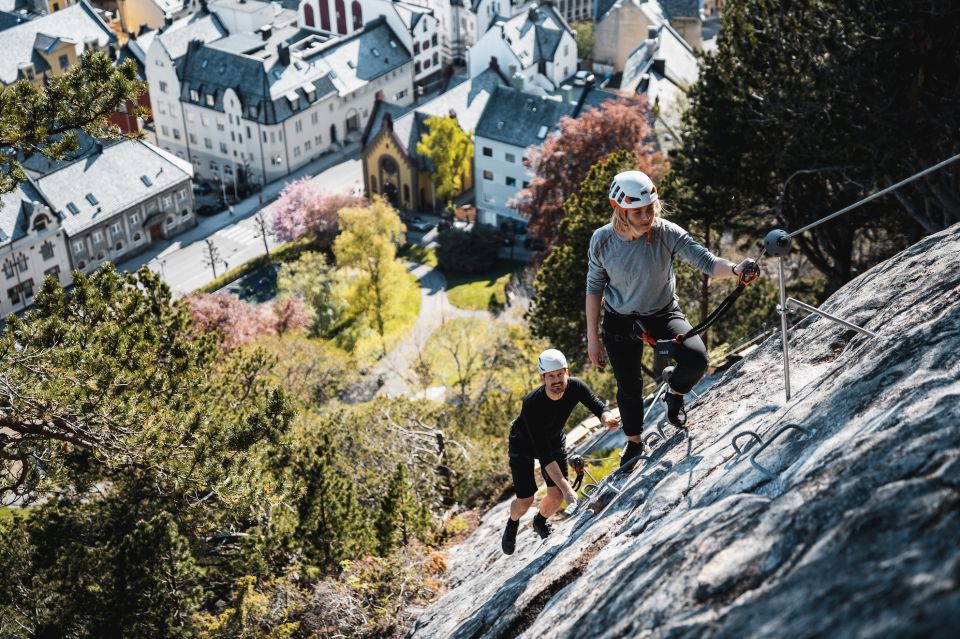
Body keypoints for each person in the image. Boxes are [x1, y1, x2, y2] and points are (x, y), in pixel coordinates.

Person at [585, 170, 758, 467]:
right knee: (629, 385)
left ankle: (674, 393)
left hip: (662, 313)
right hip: (620, 321)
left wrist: (734, 269)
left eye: (650, 208)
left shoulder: (665, 232)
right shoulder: (602, 241)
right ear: (620, 209)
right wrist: (593, 339)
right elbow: (594, 289)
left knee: (696, 359)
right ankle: (634, 444)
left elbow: (704, 259)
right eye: (637, 211)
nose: (646, 216)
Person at [501, 349, 619, 555]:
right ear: (543, 378)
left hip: (554, 439)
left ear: (566, 372)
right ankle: (512, 523)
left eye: (559, 374)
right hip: (523, 444)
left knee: (555, 498)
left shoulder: (575, 386)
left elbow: (597, 405)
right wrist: (567, 489)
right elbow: (544, 454)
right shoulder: (532, 403)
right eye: (551, 376)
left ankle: (540, 521)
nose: (556, 380)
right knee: (525, 501)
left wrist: (606, 418)